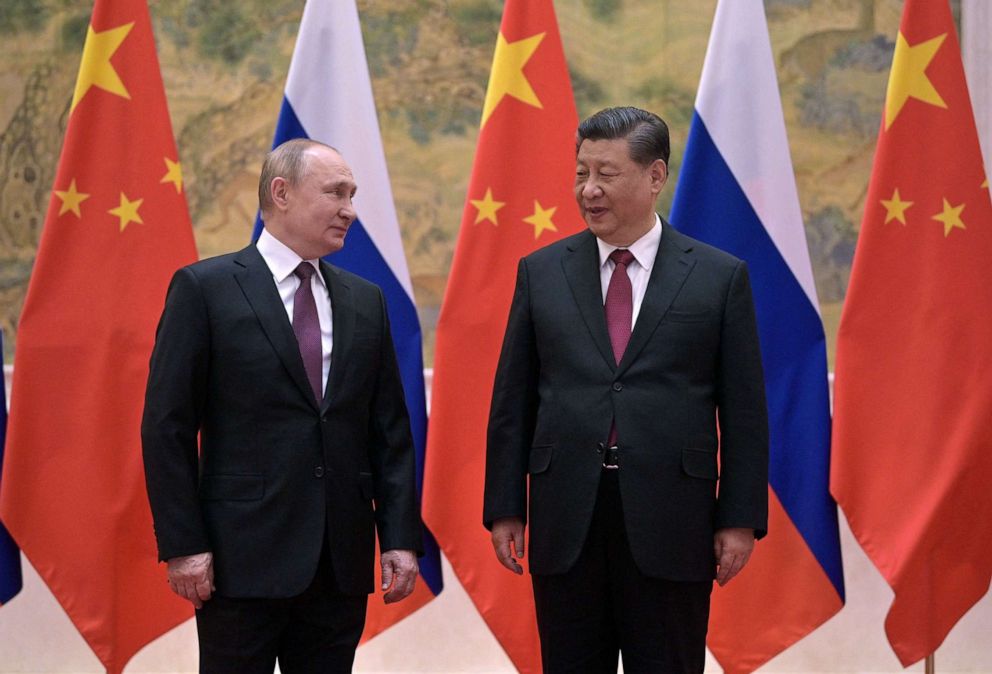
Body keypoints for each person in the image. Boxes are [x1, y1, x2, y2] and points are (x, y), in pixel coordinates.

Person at [484, 107, 769, 673]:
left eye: (606, 174)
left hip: (673, 518)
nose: (588, 190)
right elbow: (512, 401)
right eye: (581, 172)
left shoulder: (718, 276)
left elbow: (744, 412)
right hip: (567, 515)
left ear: (656, 175)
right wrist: (505, 507)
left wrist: (738, 517)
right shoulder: (542, 272)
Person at [142, 138, 422, 673]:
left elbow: (389, 432)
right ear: (282, 192)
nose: (350, 210)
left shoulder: (366, 299)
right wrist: (183, 544)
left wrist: (400, 538)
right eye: (336, 192)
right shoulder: (205, 289)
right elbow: (166, 428)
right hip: (237, 558)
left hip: (337, 561)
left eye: (353, 194)